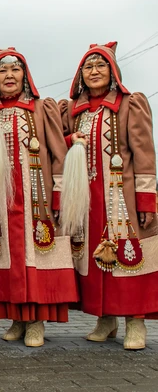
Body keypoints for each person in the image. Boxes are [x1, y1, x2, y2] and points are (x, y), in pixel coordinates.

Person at [0, 47, 77, 347]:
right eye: (2, 70)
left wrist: (60, 195)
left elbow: (58, 152)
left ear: (25, 76)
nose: (9, 75)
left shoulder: (41, 109)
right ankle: (16, 317)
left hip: (34, 199)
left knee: (36, 254)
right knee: (5, 257)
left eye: (15, 69)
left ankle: (36, 321)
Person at [60, 42, 158, 350]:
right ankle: (105, 317)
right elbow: (57, 143)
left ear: (113, 71)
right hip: (86, 197)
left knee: (129, 258)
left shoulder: (131, 104)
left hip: (121, 197)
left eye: (100, 65)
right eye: (88, 67)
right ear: (80, 74)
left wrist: (145, 199)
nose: (94, 72)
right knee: (93, 260)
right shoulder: (74, 110)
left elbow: (143, 153)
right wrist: (68, 138)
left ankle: (135, 321)